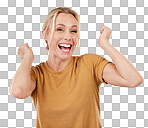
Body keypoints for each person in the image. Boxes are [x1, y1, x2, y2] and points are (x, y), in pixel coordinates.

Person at [9, 7, 143, 128]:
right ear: (45, 34)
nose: (68, 36)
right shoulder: (37, 74)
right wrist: (27, 58)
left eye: (73, 31)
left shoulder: (90, 63)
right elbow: (18, 91)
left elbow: (133, 80)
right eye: (60, 29)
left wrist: (105, 43)